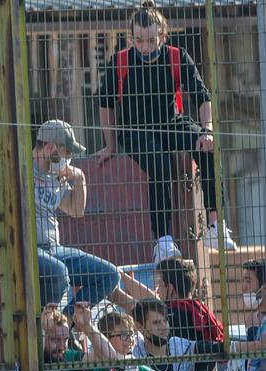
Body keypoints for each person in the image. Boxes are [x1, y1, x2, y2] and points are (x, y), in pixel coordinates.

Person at [96, 1, 237, 262]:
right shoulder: (120, 61)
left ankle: (215, 224)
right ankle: (163, 240)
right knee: (159, 162)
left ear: (162, 36)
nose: (145, 47)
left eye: (151, 40)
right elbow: (105, 104)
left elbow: (203, 97)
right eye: (139, 40)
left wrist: (207, 131)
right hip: (135, 130)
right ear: (131, 38)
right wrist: (111, 144)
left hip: (171, 123)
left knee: (206, 146)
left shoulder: (177, 56)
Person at [0, 120, 141, 314]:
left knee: (110, 274)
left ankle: (67, 321)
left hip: (54, 249)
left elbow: (76, 211)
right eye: (67, 153)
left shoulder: (57, 176)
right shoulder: (20, 165)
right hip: (27, 249)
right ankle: (48, 324)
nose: (70, 158)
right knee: (59, 272)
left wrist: (80, 178)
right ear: (49, 148)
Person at [131, 298, 266, 371]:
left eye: (165, 321)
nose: (164, 327)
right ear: (140, 327)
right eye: (156, 323)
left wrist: (259, 345)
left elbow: (221, 348)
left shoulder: (181, 346)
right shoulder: (134, 354)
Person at [78, 311, 178, 371]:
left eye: (132, 334)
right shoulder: (99, 361)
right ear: (106, 338)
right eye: (124, 334)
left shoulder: (134, 365)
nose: (130, 339)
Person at [40, 302, 121, 371]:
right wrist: (43, 330)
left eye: (65, 339)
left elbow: (109, 357)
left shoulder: (66, 355)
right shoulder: (31, 361)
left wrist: (87, 326)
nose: (62, 346)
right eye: (55, 339)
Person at [241, 259, 266, 371]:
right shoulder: (254, 319)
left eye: (248, 281)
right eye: (243, 281)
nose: (244, 287)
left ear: (263, 288)